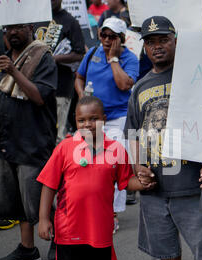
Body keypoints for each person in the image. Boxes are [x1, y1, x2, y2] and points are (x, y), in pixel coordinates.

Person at [125, 16, 202, 260]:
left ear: (175, 42)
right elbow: (133, 133)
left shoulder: (195, 77)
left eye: (163, 40)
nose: (157, 47)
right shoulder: (140, 87)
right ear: (145, 48)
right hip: (155, 186)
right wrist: (138, 166)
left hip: (192, 179)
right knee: (165, 246)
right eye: (151, 42)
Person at [37, 96, 154, 260]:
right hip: (68, 229)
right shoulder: (65, 148)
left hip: (99, 230)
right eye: (82, 120)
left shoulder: (116, 150)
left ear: (104, 120)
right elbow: (49, 184)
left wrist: (145, 181)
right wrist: (44, 218)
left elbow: (126, 182)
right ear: (75, 121)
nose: (87, 124)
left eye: (94, 119)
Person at [0, 23, 58, 260]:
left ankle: (62, 241)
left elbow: (39, 96)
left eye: (19, 28)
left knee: (37, 197)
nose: (13, 33)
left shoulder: (42, 57)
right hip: (7, 138)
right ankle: (27, 248)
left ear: (30, 28)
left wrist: (14, 71)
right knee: (18, 201)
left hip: (32, 140)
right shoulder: (3, 59)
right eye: (9, 28)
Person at [75, 17, 138, 234]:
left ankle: (112, 214)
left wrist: (113, 59)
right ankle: (90, 208)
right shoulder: (92, 53)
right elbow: (79, 77)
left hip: (117, 119)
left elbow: (123, 84)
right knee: (86, 163)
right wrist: (83, 97)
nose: (107, 40)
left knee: (112, 164)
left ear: (121, 39)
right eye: (104, 35)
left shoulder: (130, 58)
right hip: (92, 119)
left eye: (113, 36)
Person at [35, 0, 85, 143]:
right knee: (40, 132)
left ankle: (58, 164)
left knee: (58, 134)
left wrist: (55, 58)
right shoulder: (38, 18)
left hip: (61, 87)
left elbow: (80, 53)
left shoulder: (70, 22)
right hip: (37, 86)